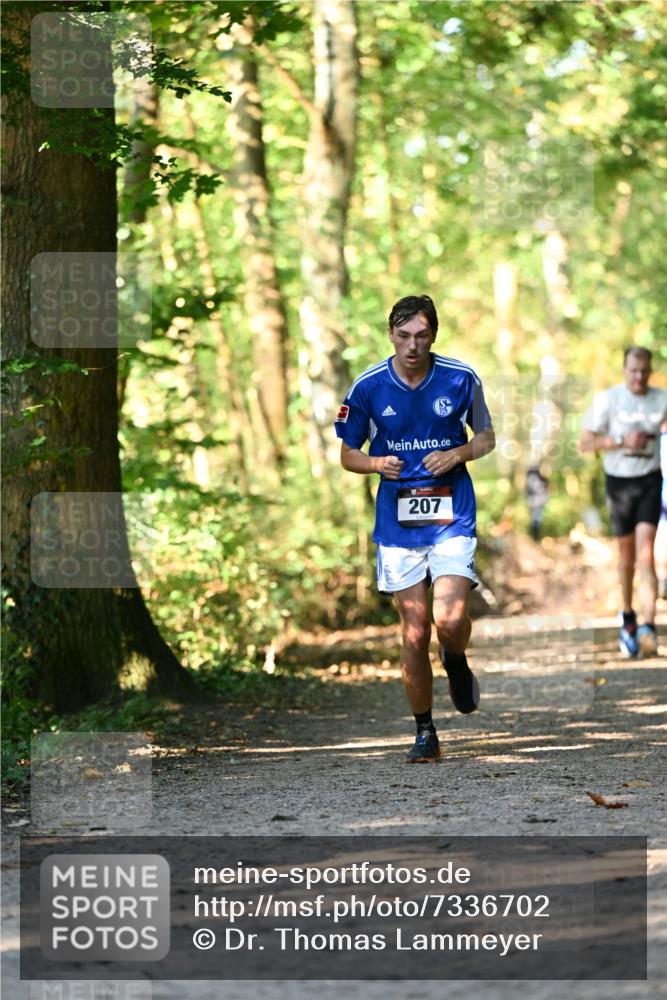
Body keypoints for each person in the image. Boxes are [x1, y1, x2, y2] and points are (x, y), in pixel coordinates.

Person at [335, 295, 495, 763]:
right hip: (398, 524)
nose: (412, 345)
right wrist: (373, 463)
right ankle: (425, 730)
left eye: (421, 335)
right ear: (390, 335)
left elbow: (486, 436)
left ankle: (456, 658)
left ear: (434, 335)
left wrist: (457, 454)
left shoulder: (460, 378)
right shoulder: (367, 386)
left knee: (447, 621)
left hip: (451, 517)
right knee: (413, 631)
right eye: (403, 336)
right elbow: (347, 454)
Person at [580, 347, 667, 657]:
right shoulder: (608, 399)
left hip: (649, 480)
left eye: (644, 371)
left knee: (646, 554)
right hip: (618, 483)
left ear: (650, 370)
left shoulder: (661, 398)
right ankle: (627, 616)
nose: (639, 377)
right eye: (633, 371)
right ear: (624, 369)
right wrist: (620, 441)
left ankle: (648, 626)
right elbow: (585, 443)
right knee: (627, 557)